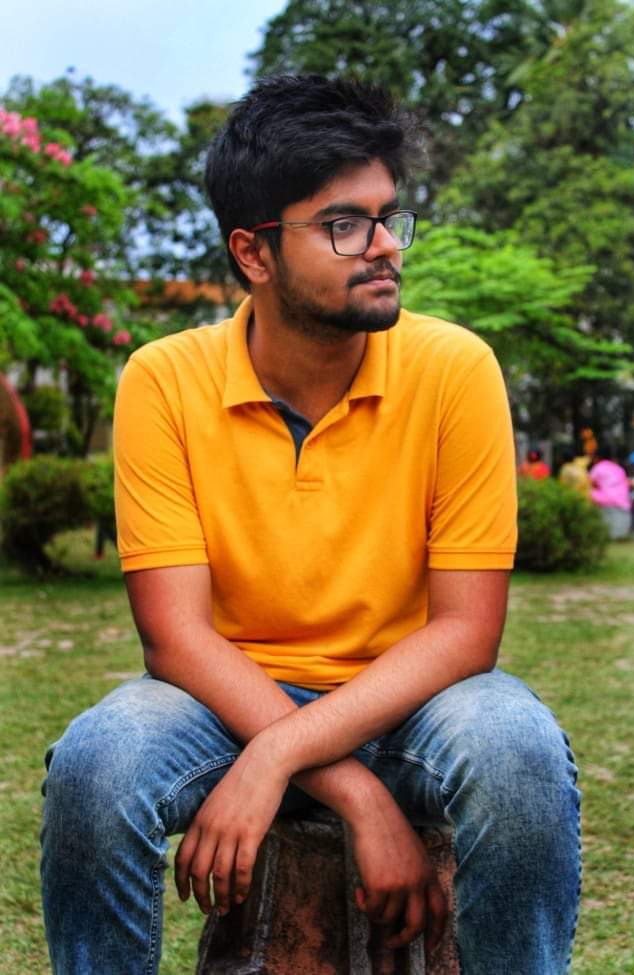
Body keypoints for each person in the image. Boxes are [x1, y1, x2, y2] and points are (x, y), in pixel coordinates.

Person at [40, 75, 581, 975]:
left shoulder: (455, 369)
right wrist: (356, 795)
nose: (385, 245)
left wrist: (282, 754)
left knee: (516, 750)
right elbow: (175, 636)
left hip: (410, 703)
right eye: (343, 225)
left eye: (389, 217)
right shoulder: (164, 379)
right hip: (221, 704)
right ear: (252, 253)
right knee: (99, 763)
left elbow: (466, 631)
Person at [589, 444, 632, 539]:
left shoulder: (598, 467)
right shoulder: (619, 468)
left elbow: (589, 483)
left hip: (605, 501)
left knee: (587, 492)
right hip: (623, 503)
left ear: (597, 457)